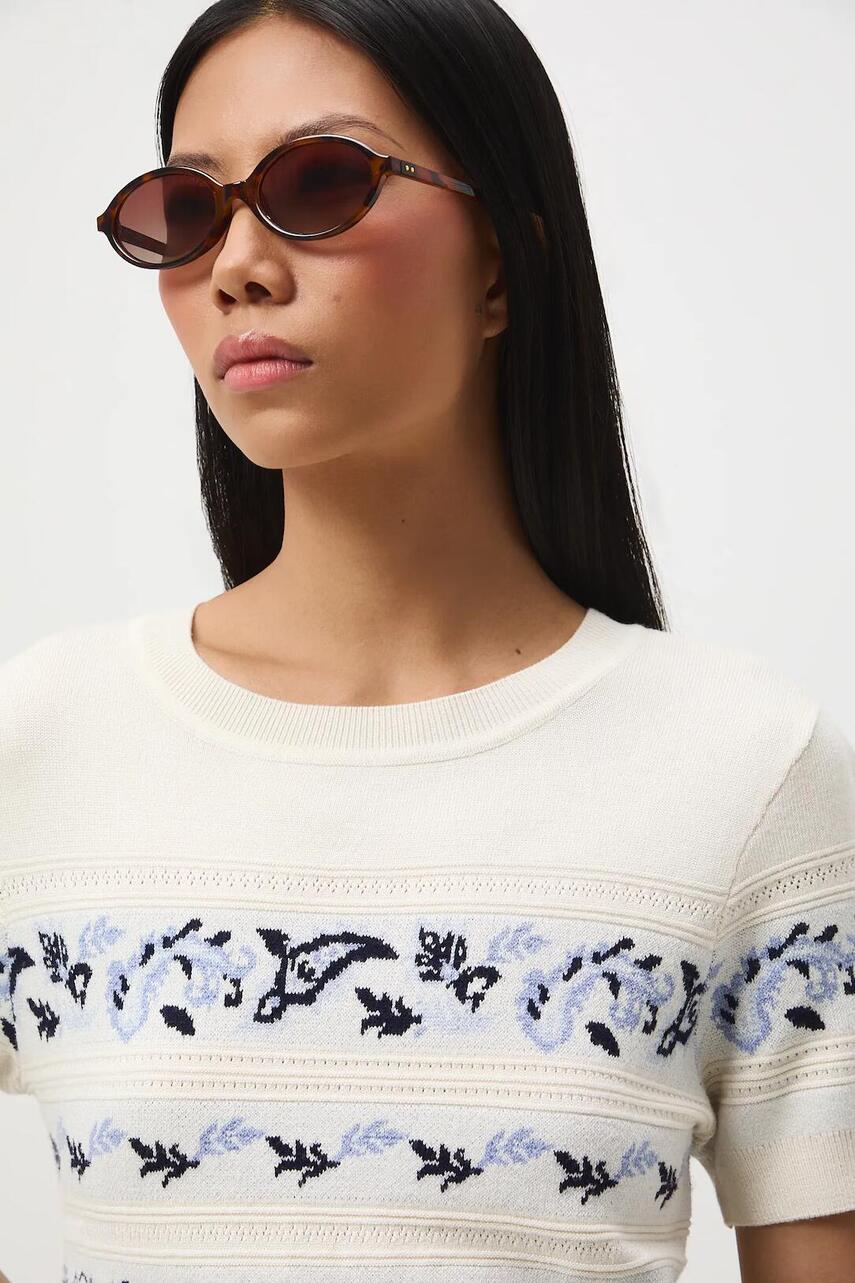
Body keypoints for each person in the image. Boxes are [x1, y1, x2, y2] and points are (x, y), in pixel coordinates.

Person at [2, 2, 853, 1280]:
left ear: (503, 264)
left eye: (318, 183)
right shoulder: (42, 742)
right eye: (186, 209)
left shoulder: (745, 770)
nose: (237, 266)